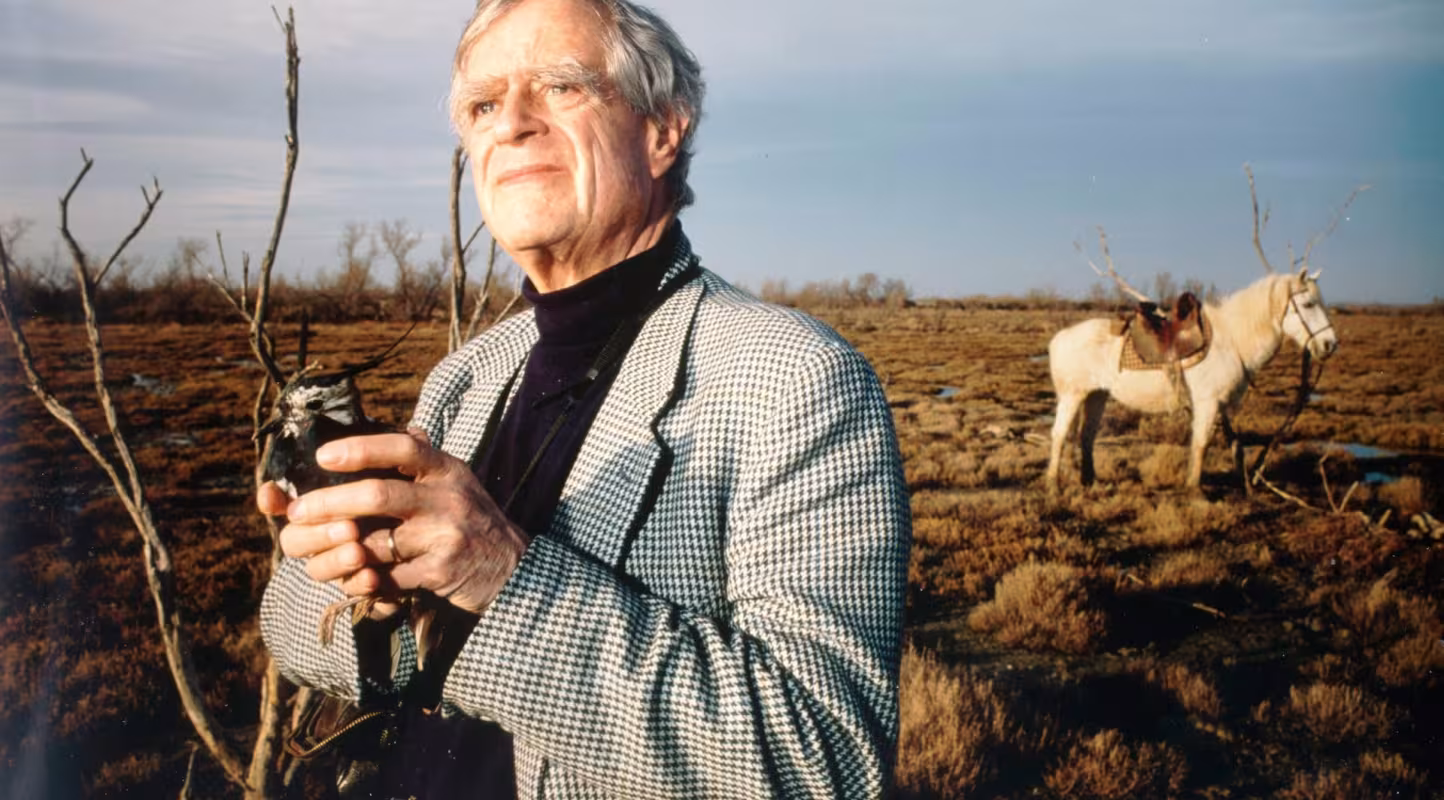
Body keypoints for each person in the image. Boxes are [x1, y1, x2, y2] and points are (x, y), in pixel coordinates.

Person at [258, 0, 911, 796]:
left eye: (561, 87)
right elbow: (291, 631)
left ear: (663, 131)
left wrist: (503, 578)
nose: (511, 124)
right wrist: (376, 588)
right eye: (483, 105)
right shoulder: (467, 375)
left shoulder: (794, 378)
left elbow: (826, 765)